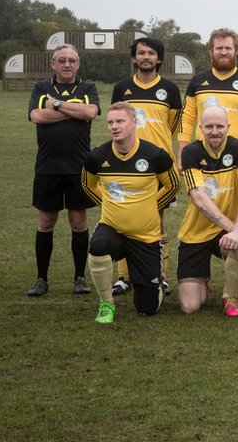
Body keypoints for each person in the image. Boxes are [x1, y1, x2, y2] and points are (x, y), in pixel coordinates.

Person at [178, 28, 238, 296]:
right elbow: (187, 119)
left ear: (235, 51)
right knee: (204, 206)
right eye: (219, 48)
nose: (223, 52)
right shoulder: (198, 82)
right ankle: (199, 268)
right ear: (211, 51)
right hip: (202, 159)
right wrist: (182, 152)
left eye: (228, 48)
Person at [82, 102, 179, 323]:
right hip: (112, 229)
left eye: (120, 121)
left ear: (134, 123)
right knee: (97, 245)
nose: (115, 127)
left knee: (147, 309)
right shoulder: (97, 156)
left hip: (146, 236)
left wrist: (153, 206)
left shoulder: (155, 155)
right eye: (110, 122)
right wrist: (107, 205)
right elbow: (88, 185)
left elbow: (173, 185)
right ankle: (106, 303)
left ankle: (150, 284)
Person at [110, 37, 182, 297]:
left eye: (151, 53)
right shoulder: (122, 88)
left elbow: (173, 126)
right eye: (141, 53)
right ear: (134, 58)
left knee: (157, 220)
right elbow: (116, 122)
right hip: (126, 164)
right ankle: (123, 276)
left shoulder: (170, 90)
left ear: (159, 58)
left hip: (159, 166)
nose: (146, 57)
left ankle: (159, 275)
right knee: (124, 218)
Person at [26, 44, 100, 297]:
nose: (67, 64)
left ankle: (79, 277)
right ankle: (41, 279)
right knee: (46, 222)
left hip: (79, 167)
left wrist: (56, 105)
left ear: (78, 64)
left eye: (72, 60)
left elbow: (91, 112)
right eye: (62, 60)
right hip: (48, 167)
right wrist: (74, 111)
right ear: (53, 64)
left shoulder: (87, 88)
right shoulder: (41, 88)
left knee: (78, 222)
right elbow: (37, 116)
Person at [176, 106, 238, 317]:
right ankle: (202, 282)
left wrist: (237, 231)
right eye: (209, 126)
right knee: (190, 306)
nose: (214, 131)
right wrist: (234, 228)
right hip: (196, 232)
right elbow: (199, 199)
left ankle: (230, 296)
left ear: (228, 127)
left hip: (226, 232)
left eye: (219, 126)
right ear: (200, 128)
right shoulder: (191, 152)